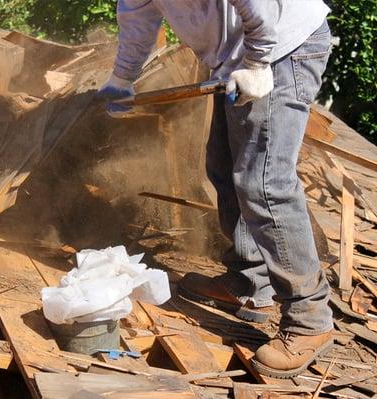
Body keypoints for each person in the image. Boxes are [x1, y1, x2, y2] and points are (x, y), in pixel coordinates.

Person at [99, 1, 334, 378]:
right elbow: (138, 16)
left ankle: (310, 319)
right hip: (240, 54)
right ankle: (249, 280)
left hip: (283, 46)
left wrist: (258, 62)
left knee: (265, 183)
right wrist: (122, 78)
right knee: (224, 167)